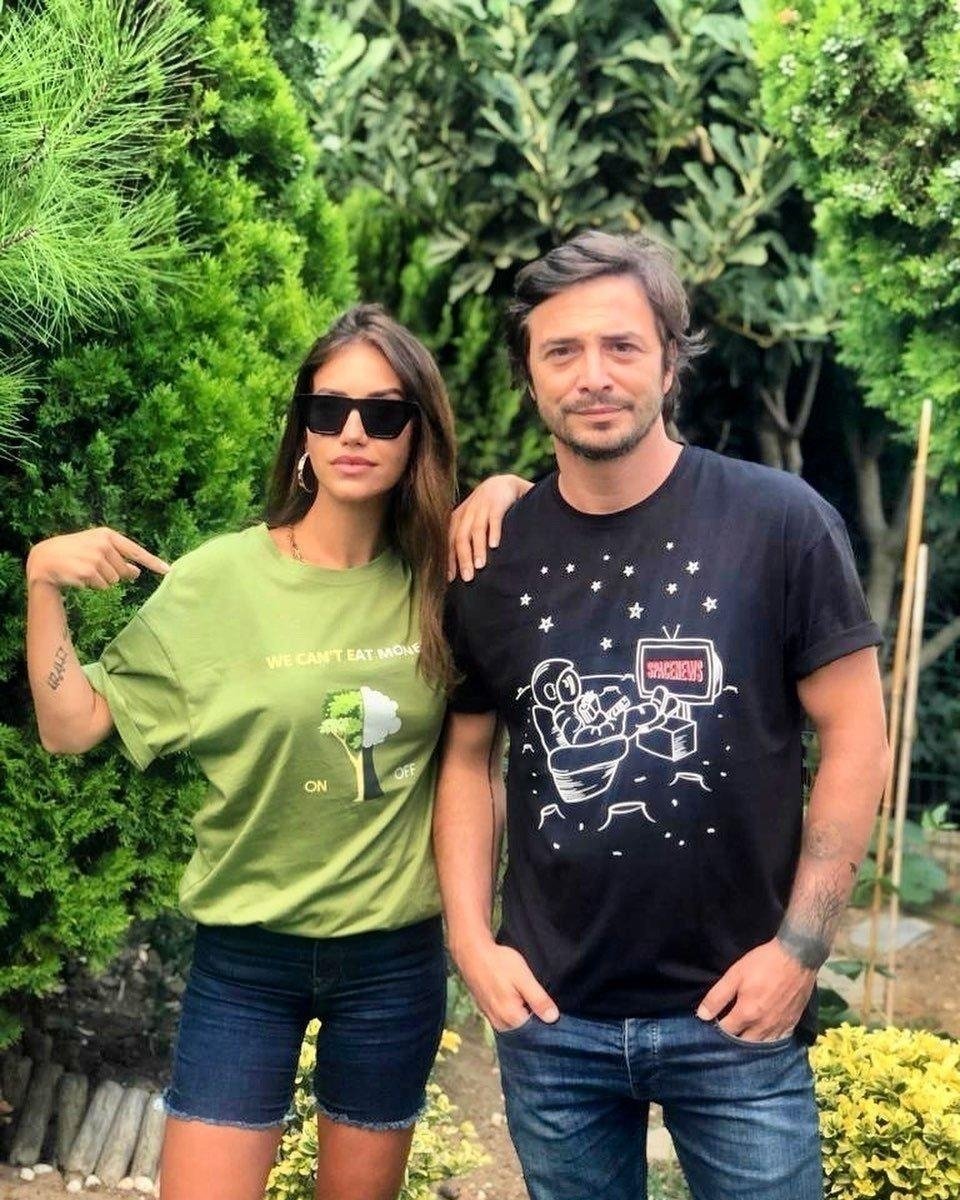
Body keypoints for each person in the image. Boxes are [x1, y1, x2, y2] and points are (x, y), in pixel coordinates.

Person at [25, 303, 526, 1200]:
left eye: (384, 413)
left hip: (391, 961)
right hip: (246, 960)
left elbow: (561, 530)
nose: (353, 432)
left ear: (420, 431)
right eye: (329, 410)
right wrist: (42, 583)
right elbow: (73, 726)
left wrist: (507, 489)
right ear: (303, 431)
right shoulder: (221, 580)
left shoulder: (442, 579)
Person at [435, 232, 889, 1200]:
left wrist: (801, 950)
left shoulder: (781, 523)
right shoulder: (490, 556)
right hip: (551, 1021)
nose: (593, 375)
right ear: (529, 376)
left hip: (738, 1015)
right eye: (562, 351)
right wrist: (472, 944)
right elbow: (468, 757)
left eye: (622, 346)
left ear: (670, 360)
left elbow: (858, 737)